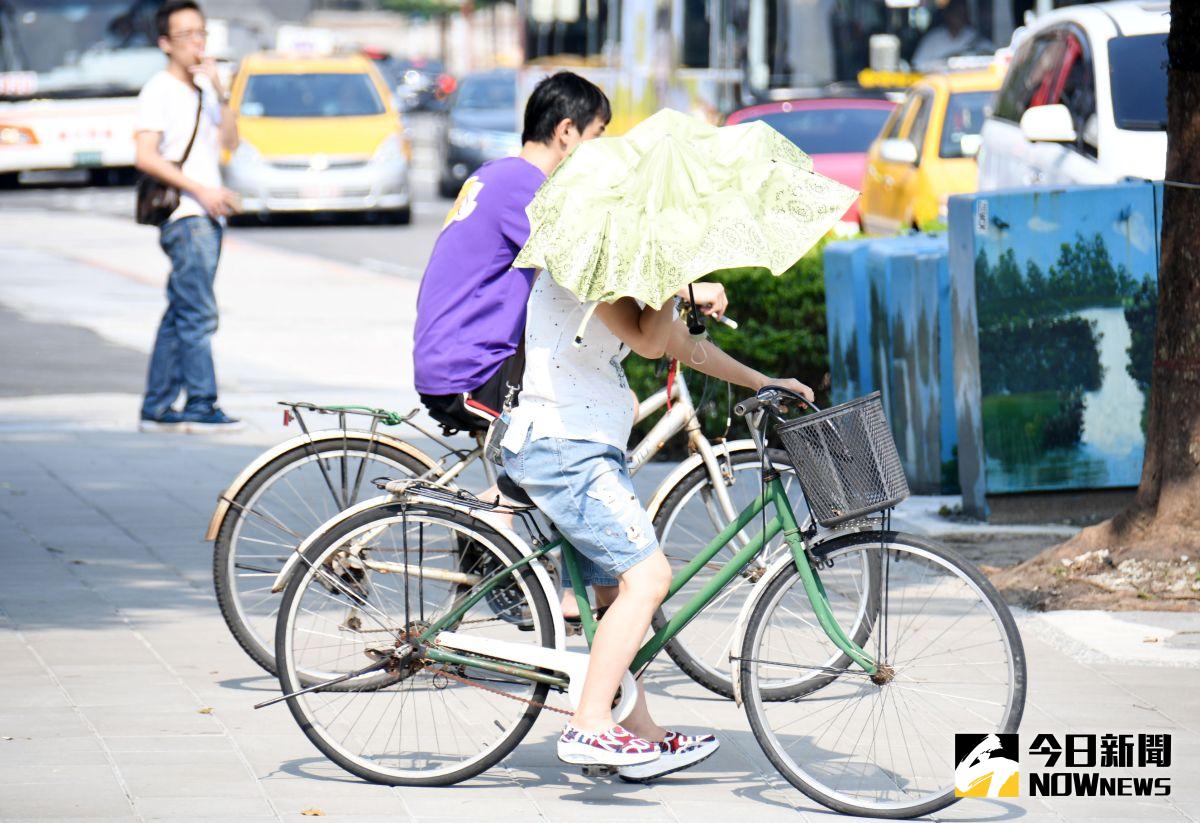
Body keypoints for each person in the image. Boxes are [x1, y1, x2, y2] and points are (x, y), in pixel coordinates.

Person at [411, 71, 728, 619]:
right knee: (559, 444)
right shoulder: (530, 189)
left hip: (462, 349)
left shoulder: (498, 174)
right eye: (598, 133)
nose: (600, 148)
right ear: (566, 132)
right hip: (476, 362)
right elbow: (595, 254)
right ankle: (520, 558)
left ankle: (541, 576)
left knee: (599, 417)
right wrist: (684, 285)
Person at [500, 275, 813, 780]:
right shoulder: (592, 264)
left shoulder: (620, 268)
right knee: (648, 580)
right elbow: (648, 342)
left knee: (612, 599)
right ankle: (589, 723)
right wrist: (677, 285)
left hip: (588, 446)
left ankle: (639, 731)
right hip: (565, 448)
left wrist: (762, 382)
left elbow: (676, 342)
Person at [134, 0, 241, 432]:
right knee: (198, 313)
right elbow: (143, 155)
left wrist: (220, 90)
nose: (197, 42)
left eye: (201, 33)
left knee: (180, 311)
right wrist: (201, 190)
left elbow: (231, 140)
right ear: (165, 44)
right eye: (186, 35)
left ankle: (157, 405)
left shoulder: (201, 91)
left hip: (206, 216)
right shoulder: (158, 90)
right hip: (186, 215)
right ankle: (200, 401)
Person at [911, 0, 992, 71]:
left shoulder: (974, 36)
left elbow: (994, 56)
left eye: (962, 13)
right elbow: (917, 66)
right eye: (956, 13)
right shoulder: (933, 39)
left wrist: (980, 54)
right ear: (947, 14)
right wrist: (947, 60)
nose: (958, 17)